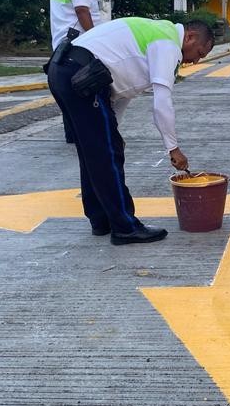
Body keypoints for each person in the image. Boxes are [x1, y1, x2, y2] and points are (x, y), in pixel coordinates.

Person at [47, 18, 214, 245]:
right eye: (199, 53)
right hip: (82, 73)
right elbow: (162, 102)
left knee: (95, 153)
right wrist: (173, 148)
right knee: (107, 154)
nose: (195, 60)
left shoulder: (158, 32)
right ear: (190, 37)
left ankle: (101, 220)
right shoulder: (168, 43)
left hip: (65, 71)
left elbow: (122, 92)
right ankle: (125, 226)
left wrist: (114, 130)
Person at [49, 0, 104, 142]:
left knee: (69, 89)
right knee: (86, 86)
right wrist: (95, 37)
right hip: (78, 44)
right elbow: (82, 11)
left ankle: (73, 133)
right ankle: (86, 133)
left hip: (62, 44)